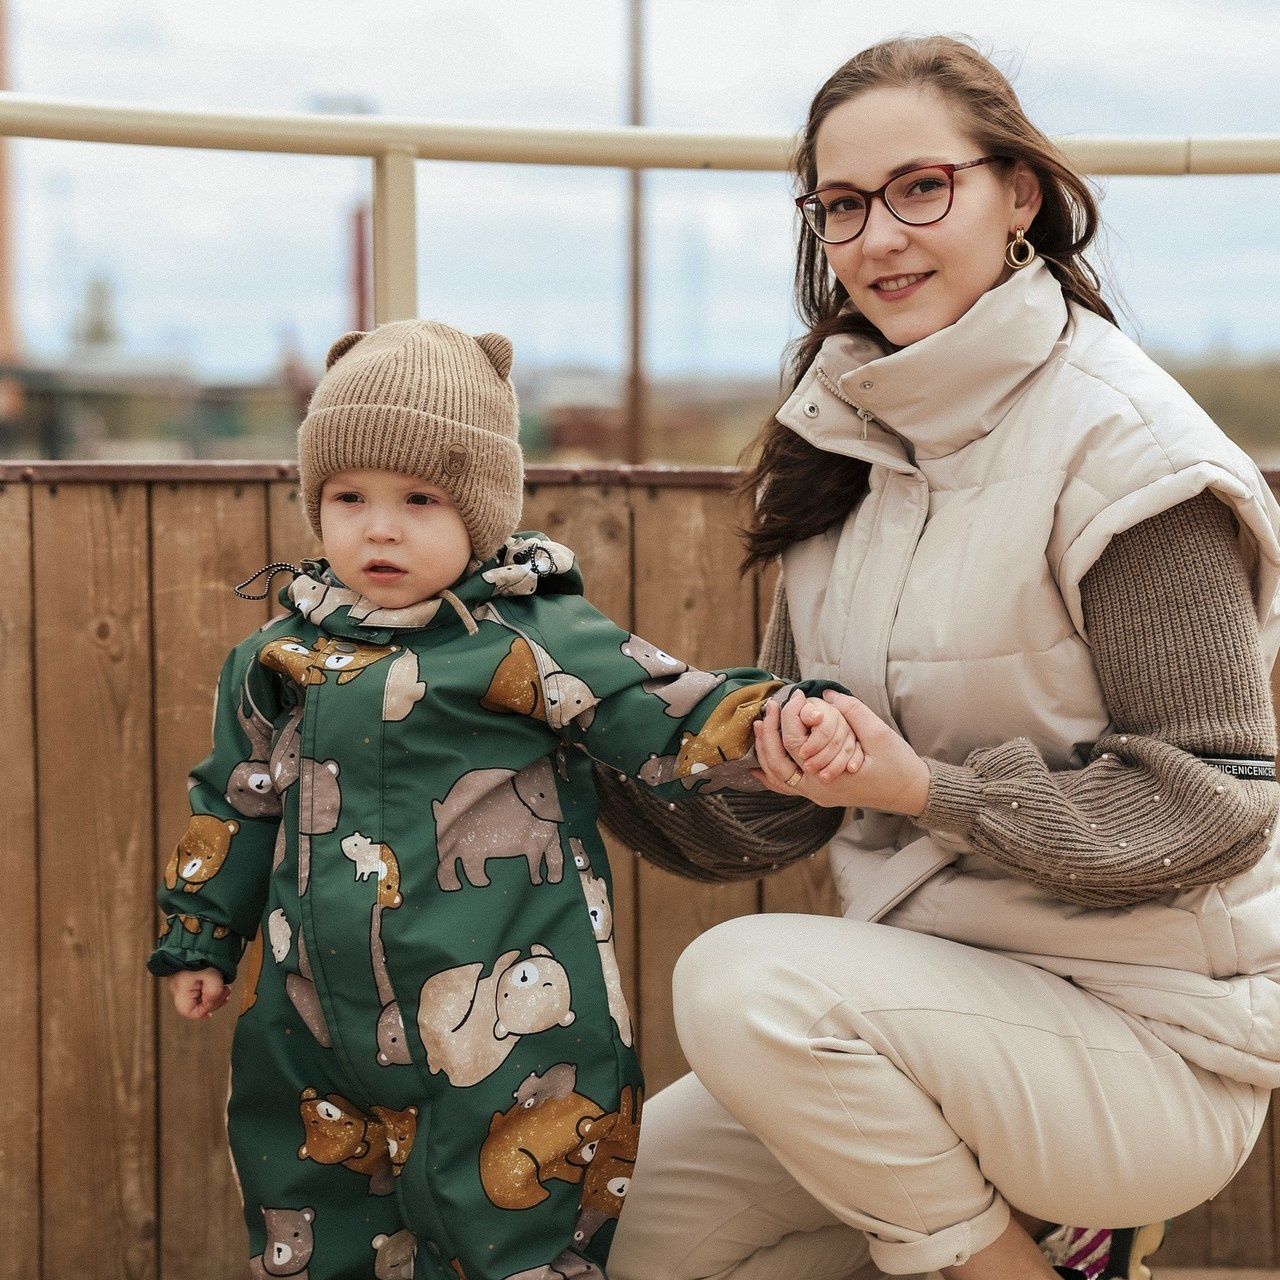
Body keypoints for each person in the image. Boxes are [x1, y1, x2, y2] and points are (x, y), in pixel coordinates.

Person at [598, 33, 1280, 1280]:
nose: (877, 238)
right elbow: (780, 821)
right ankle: (999, 1233)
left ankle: (1025, 1259)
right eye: (841, 206)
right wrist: (600, 726)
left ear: (1016, 193)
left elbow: (1218, 803)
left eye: (921, 188)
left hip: (1146, 1043)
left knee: (744, 983)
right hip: (919, 1020)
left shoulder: (1130, 455)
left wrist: (924, 789)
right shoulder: (843, 442)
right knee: (628, 1239)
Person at [146, 320, 860, 1280]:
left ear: (477, 511)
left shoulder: (529, 639)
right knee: (311, 1220)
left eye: (418, 499)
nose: (380, 527)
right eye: (349, 498)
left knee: (513, 1227)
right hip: (309, 1021)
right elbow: (234, 799)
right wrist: (201, 931)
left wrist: (788, 718)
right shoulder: (280, 656)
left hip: (506, 1027)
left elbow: (668, 706)